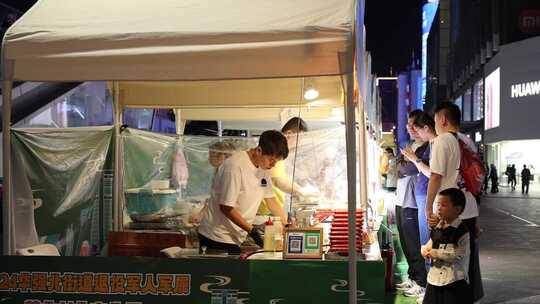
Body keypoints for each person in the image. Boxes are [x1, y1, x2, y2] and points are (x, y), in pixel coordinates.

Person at [426, 102, 483, 302]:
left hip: (449, 212)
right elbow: (474, 181)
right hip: (469, 210)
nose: (435, 125)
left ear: (442, 119)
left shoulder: (442, 141)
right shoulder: (468, 142)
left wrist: (428, 208)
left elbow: (435, 176)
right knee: (466, 264)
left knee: (445, 263)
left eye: (435, 121)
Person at [198, 130, 289, 255]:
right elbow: (226, 207)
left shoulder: (263, 169)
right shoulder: (235, 166)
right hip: (216, 236)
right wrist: (252, 232)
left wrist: (287, 226)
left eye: (276, 162)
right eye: (271, 160)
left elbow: (271, 200)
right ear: (259, 151)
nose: (273, 165)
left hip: (236, 235)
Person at [394, 110, 427, 295]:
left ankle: (421, 282)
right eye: (408, 125)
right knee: (406, 243)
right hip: (401, 199)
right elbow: (400, 168)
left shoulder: (426, 147)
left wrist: (409, 162)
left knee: (415, 244)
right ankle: (413, 277)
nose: (409, 128)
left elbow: (408, 169)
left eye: (412, 125)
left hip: (414, 202)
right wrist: (406, 164)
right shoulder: (410, 145)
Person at [258, 117, 319, 215]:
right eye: (300, 139)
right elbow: (278, 180)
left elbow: (282, 178)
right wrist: (303, 192)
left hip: (270, 209)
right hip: (264, 211)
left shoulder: (281, 153)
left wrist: (301, 189)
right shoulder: (275, 149)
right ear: (290, 134)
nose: (299, 144)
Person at [421, 188, 472, 304]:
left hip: (453, 281)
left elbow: (458, 254)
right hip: (434, 279)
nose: (439, 208)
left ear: (457, 209)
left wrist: (437, 253)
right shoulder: (438, 226)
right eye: (438, 204)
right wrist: (425, 249)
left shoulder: (461, 231)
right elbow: (431, 242)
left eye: (444, 205)